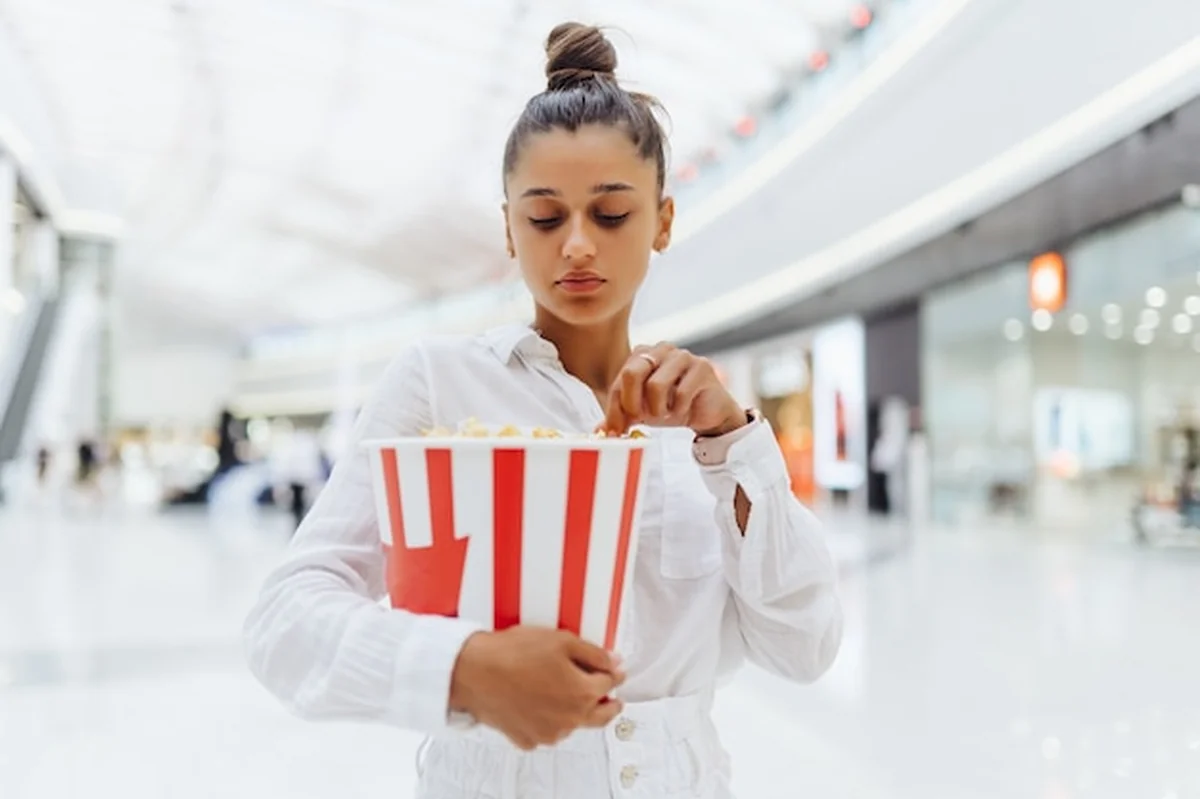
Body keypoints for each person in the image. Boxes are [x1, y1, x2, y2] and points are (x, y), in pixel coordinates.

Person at [244, 22, 843, 798]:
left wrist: (733, 443)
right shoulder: (438, 384)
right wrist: (465, 668)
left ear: (663, 220)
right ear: (507, 228)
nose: (579, 246)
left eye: (612, 213)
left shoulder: (705, 421)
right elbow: (284, 623)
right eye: (546, 217)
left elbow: (806, 646)